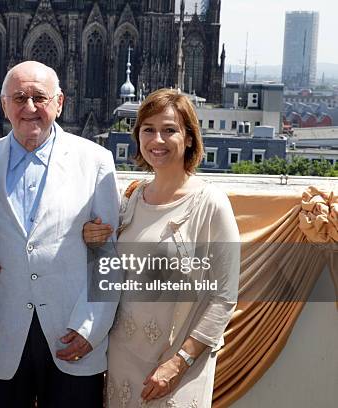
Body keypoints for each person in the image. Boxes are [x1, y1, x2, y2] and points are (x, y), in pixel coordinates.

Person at [0, 60, 120, 407]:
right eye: (19, 98)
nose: (30, 108)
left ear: (60, 103)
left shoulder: (96, 162)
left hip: (73, 336)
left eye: (40, 97)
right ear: (4, 105)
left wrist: (90, 329)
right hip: (1, 338)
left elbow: (107, 257)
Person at [83, 88, 240, 408]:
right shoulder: (130, 198)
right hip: (123, 357)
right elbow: (110, 274)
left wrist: (179, 361)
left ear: (190, 138)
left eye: (170, 130)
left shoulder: (211, 203)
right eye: (148, 129)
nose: (158, 139)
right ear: (137, 136)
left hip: (178, 362)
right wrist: (92, 240)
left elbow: (224, 297)